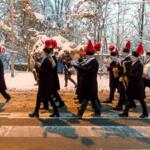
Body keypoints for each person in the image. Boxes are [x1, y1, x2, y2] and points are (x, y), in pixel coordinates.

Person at [119, 43, 148, 118]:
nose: (131, 58)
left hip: (138, 85)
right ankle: (125, 113)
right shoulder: (132, 63)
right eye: (131, 56)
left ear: (136, 57)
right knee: (129, 99)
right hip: (132, 85)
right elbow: (126, 67)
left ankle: (145, 113)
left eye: (132, 57)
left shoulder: (139, 64)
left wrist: (127, 74)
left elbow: (137, 76)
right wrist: (124, 65)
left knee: (141, 100)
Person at [29, 47, 59, 118]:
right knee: (45, 97)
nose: (42, 53)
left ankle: (37, 112)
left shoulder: (47, 60)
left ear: (45, 52)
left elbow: (45, 72)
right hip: (45, 82)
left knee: (41, 97)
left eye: (43, 52)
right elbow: (45, 70)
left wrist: (37, 68)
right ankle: (55, 111)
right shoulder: (47, 59)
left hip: (45, 83)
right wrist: (39, 67)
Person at [74, 39, 101, 118]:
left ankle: (80, 113)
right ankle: (97, 111)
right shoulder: (88, 61)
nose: (86, 56)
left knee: (86, 98)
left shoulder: (94, 62)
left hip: (90, 83)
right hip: (87, 83)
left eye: (87, 55)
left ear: (91, 55)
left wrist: (79, 67)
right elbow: (84, 68)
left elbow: (89, 70)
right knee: (92, 98)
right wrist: (77, 66)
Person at [44, 39, 65, 108]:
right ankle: (46, 103)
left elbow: (52, 68)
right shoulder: (51, 57)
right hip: (52, 77)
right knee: (50, 91)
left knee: (52, 91)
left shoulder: (52, 58)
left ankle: (59, 103)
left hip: (52, 77)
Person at [113, 41, 134, 111]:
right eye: (122, 52)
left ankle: (120, 106)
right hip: (122, 77)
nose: (122, 54)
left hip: (125, 78)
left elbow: (126, 69)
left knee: (122, 92)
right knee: (123, 92)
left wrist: (120, 71)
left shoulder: (128, 59)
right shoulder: (125, 59)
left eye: (124, 53)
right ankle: (131, 104)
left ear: (127, 53)